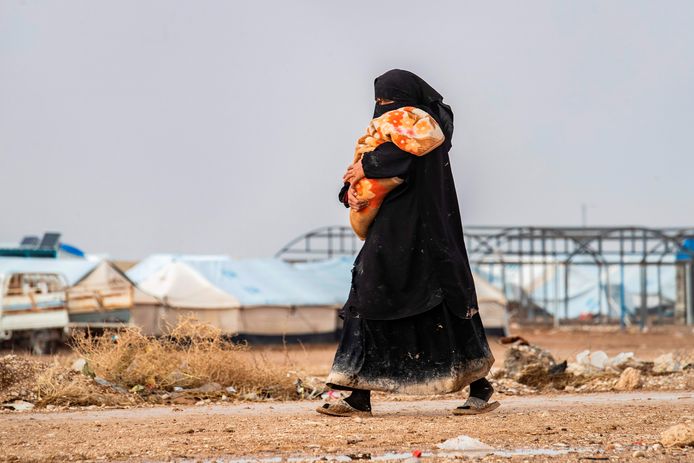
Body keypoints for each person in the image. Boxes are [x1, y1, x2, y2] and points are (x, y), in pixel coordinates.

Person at [316, 69, 498, 417]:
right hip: (390, 233)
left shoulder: (423, 131)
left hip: (428, 232)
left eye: (389, 101)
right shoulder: (387, 132)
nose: (385, 108)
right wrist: (350, 195)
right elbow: (364, 172)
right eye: (380, 102)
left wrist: (367, 166)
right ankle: (357, 394)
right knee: (367, 296)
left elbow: (399, 159)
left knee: (446, 301)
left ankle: (480, 386)